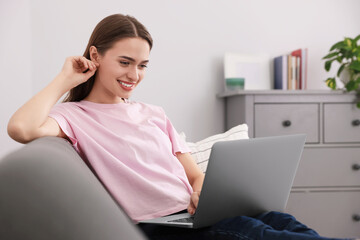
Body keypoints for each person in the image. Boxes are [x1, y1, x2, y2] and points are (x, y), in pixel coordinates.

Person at [7, 14, 352, 240]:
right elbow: (21, 128)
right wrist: (65, 77)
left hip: (193, 215)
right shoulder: (75, 116)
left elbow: (194, 175)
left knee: (283, 223)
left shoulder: (154, 113)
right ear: (95, 57)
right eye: (124, 62)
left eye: (142, 65)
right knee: (259, 234)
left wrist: (202, 190)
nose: (134, 75)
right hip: (158, 225)